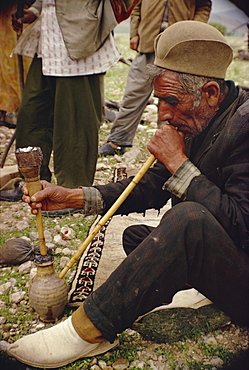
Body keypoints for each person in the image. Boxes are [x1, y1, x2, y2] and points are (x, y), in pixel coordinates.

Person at [6, 21, 249, 369]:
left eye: (171, 101)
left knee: (186, 222)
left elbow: (243, 227)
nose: (163, 114)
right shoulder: (203, 117)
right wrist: (74, 197)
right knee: (143, 239)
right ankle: (204, 292)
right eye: (159, 101)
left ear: (210, 92)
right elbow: (151, 185)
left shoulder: (245, 127)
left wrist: (179, 164)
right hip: (229, 255)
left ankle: (89, 331)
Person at [0, 0, 136, 206]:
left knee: (75, 120)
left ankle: (72, 191)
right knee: (33, 114)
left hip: (81, 36)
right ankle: (32, 185)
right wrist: (35, 10)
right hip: (47, 39)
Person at [98, 0, 212, 156]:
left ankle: (171, 145)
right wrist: (134, 33)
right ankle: (117, 141)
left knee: (174, 98)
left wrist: (192, 30)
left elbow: (204, 6)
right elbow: (136, 6)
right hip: (147, 43)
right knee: (134, 94)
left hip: (179, 46)